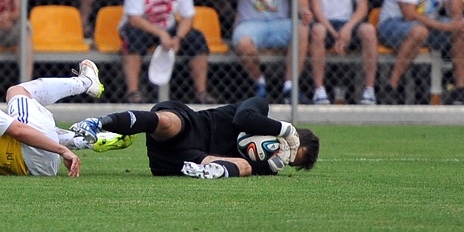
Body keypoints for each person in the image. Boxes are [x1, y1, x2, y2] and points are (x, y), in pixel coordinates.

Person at [0, 51, 131, 176]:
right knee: (16, 92)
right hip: (34, 153)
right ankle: (86, 82)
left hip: (27, 171)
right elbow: (19, 131)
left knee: (17, 121)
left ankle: (82, 140)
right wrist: (62, 151)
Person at [71, 96, 318, 178]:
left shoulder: (268, 164)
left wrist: (269, 165)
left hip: (185, 161)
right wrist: (283, 130)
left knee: (242, 167)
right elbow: (243, 120)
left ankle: (209, 172)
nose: (281, 156)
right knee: (167, 121)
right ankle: (98, 123)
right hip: (192, 127)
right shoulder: (259, 108)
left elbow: (250, 166)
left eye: (288, 161)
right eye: (288, 149)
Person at [120, 0, 213, 104]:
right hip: (142, 26)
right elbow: (134, 18)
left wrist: (178, 37)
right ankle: (133, 92)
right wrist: (161, 34)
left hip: (169, 27)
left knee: (198, 39)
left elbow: (188, 17)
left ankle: (202, 93)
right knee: (133, 38)